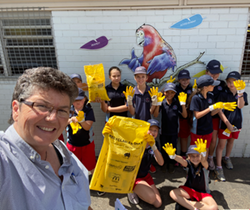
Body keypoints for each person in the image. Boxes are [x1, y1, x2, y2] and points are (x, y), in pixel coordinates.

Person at [0, 67, 92, 210]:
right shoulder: (4, 161)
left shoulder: (65, 154)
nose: (52, 118)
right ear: (16, 110)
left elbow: (82, 204)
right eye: (42, 106)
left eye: (62, 110)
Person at [164, 140, 218, 210]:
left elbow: (204, 161)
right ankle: (194, 208)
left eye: (197, 156)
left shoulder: (204, 165)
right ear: (189, 156)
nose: (195, 158)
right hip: (189, 191)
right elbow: (182, 161)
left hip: (203, 193)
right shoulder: (188, 163)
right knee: (172, 193)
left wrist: (203, 154)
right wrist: (174, 156)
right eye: (192, 156)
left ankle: (186, 202)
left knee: (214, 207)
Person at [215, 71, 248, 181]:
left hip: (237, 124)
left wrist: (240, 93)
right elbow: (219, 110)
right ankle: (218, 167)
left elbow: (240, 106)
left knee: (231, 141)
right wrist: (227, 124)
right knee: (221, 145)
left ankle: (227, 158)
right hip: (225, 125)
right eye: (229, 82)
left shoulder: (243, 94)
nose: (231, 84)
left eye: (234, 82)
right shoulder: (223, 94)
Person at [128, 119, 164, 208]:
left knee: (158, 203)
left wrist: (153, 146)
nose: (152, 132)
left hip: (145, 175)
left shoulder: (154, 144)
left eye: (155, 130)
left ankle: (141, 190)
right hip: (133, 177)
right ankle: (130, 190)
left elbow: (161, 163)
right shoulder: (137, 141)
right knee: (151, 197)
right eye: (150, 129)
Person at [153, 83, 187, 173]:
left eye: (172, 92)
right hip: (163, 131)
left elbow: (185, 115)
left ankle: (171, 164)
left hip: (174, 131)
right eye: (167, 92)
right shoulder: (162, 102)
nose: (169, 95)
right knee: (164, 148)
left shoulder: (177, 102)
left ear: (175, 93)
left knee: (173, 149)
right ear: (164, 92)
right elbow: (155, 114)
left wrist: (183, 104)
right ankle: (164, 164)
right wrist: (158, 104)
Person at [187, 75, 221, 159]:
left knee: (205, 149)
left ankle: (204, 167)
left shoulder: (210, 96)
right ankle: (192, 168)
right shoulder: (196, 98)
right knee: (194, 150)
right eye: (212, 85)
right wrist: (210, 108)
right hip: (197, 130)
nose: (214, 86)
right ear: (205, 87)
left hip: (208, 129)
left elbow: (212, 114)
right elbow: (197, 115)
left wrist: (219, 108)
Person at [66, 88, 96, 174]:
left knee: (90, 167)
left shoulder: (88, 110)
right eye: (75, 100)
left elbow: (87, 127)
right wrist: (70, 120)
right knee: (72, 167)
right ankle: (75, 184)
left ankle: (92, 185)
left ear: (84, 99)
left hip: (87, 144)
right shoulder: (68, 110)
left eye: (80, 99)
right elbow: (63, 125)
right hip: (72, 145)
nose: (78, 102)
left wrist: (82, 120)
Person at [205, 60, 227, 170]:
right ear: (207, 72)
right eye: (212, 72)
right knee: (211, 140)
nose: (215, 75)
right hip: (207, 115)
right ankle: (206, 158)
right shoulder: (204, 83)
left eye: (217, 72)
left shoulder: (222, 84)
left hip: (219, 116)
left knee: (216, 140)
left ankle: (210, 157)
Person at [176, 69, 193, 159]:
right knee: (175, 136)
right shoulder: (175, 88)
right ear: (179, 80)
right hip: (175, 116)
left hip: (187, 117)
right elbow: (163, 93)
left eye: (187, 79)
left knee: (184, 136)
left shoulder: (191, 88)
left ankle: (183, 154)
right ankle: (173, 156)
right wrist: (167, 85)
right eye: (182, 79)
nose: (185, 81)